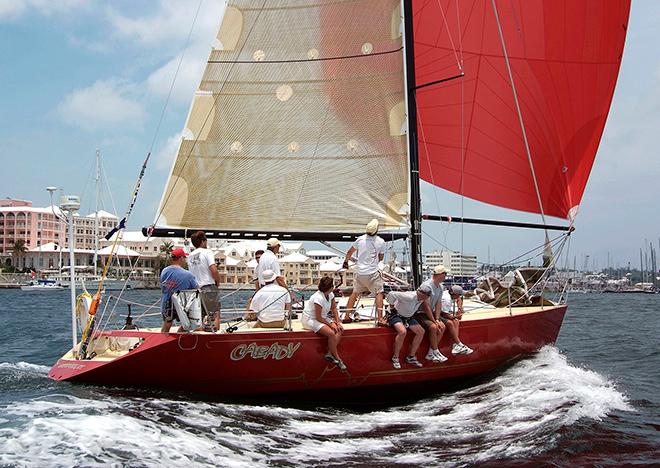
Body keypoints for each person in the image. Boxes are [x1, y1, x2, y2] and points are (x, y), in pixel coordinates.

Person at [341, 219, 386, 324]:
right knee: (379, 293)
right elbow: (381, 258)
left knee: (354, 293)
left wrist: (346, 262)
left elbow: (349, 252)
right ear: (377, 230)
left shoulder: (360, 239)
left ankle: (346, 316)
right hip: (372, 273)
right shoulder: (381, 241)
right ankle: (380, 319)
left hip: (360, 273)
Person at [301, 276, 346, 371]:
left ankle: (330, 353)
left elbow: (334, 308)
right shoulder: (318, 298)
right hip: (310, 319)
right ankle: (338, 358)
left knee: (340, 329)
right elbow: (318, 317)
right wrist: (330, 324)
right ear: (330, 287)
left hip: (322, 317)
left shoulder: (330, 295)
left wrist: (337, 322)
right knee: (331, 333)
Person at [386, 286, 434, 369]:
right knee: (402, 332)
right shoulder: (409, 297)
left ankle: (411, 357)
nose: (427, 297)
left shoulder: (422, 299)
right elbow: (391, 294)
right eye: (426, 295)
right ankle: (395, 357)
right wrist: (392, 307)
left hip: (408, 317)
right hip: (395, 315)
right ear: (420, 293)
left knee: (421, 332)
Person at [413, 265, 449, 362]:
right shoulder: (427, 286)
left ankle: (431, 352)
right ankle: (435, 351)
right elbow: (426, 306)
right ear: (439, 275)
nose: (446, 276)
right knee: (433, 327)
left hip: (430, 313)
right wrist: (434, 321)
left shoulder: (441, 287)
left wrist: (437, 319)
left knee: (442, 326)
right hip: (420, 313)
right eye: (444, 274)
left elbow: (438, 303)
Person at [188, 231, 221, 331]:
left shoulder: (190, 256)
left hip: (196, 289)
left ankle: (200, 333)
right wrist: (218, 281)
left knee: (199, 315)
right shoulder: (207, 252)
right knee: (215, 313)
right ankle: (216, 335)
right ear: (203, 241)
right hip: (208, 286)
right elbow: (213, 269)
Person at [160, 248, 198, 333]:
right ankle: (179, 338)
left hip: (166, 303)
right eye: (184, 258)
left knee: (166, 324)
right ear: (180, 258)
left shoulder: (164, 271)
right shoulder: (188, 275)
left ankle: (163, 341)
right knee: (187, 324)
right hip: (180, 305)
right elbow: (195, 289)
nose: (185, 260)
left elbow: (162, 286)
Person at [440, 285, 474, 355]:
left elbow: (459, 299)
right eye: (459, 294)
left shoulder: (449, 293)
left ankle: (456, 344)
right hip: (437, 313)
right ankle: (458, 344)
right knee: (452, 321)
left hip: (443, 311)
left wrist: (459, 309)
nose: (460, 296)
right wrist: (456, 316)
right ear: (455, 294)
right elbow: (444, 314)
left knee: (455, 321)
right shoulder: (446, 300)